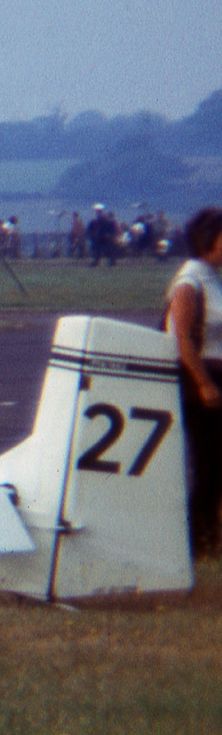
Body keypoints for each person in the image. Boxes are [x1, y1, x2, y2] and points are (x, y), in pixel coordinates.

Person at [164, 207, 222, 556]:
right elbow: (181, 338)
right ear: (208, 240)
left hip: (217, 373)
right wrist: (205, 384)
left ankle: (207, 533)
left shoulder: (213, 275)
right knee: (210, 460)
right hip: (201, 377)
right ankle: (199, 539)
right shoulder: (190, 280)